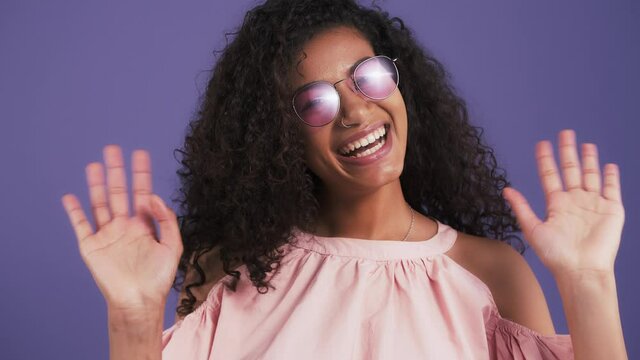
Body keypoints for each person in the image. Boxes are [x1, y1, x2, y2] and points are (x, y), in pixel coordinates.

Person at [60, 0, 628, 359]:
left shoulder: (490, 273)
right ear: (277, 137)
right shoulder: (231, 269)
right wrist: (132, 318)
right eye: (315, 102)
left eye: (369, 77)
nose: (356, 112)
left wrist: (589, 282)